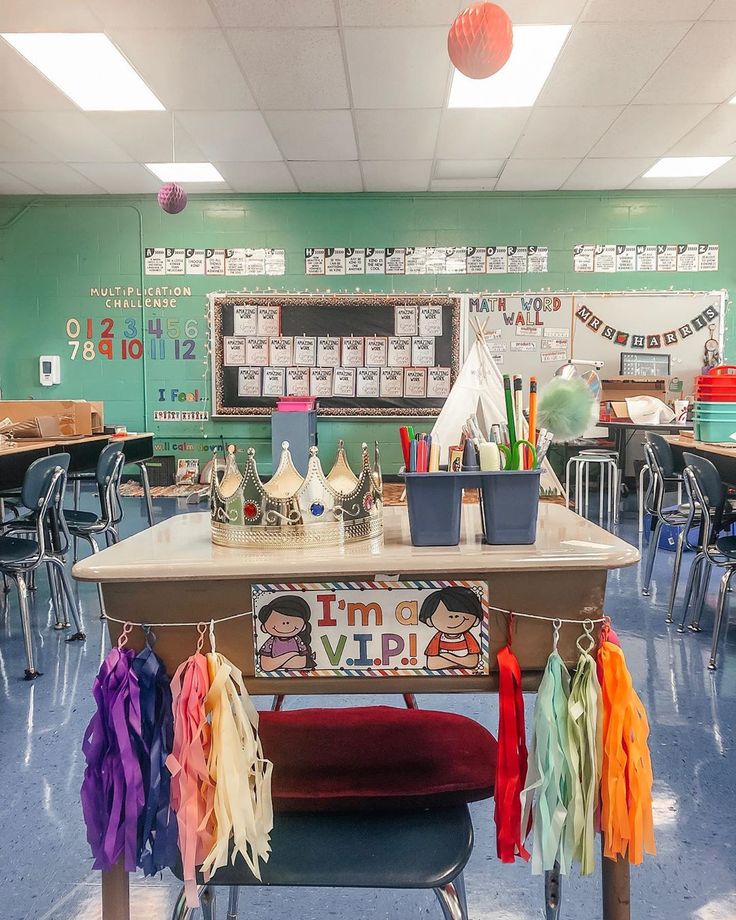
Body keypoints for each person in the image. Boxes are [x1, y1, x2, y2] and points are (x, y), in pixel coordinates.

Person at [419, 586, 482, 671]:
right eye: (444, 615)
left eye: (460, 613)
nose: (453, 617)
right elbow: (431, 664)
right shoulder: (437, 638)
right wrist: (461, 662)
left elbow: (473, 662)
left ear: (476, 620)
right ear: (429, 621)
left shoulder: (467, 637)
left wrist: (448, 657)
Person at [256, 595, 316, 672]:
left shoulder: (298, 640)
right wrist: (291, 655)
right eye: (277, 619)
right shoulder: (271, 642)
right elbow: (265, 665)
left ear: (303, 626)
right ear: (264, 627)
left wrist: (276, 662)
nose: (285, 623)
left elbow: (302, 660)